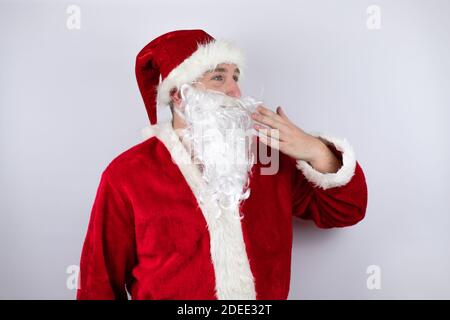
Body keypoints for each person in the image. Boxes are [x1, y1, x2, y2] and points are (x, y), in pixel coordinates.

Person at [77, 29, 368, 300]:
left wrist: (314, 150)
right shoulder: (127, 174)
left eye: (236, 77)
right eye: (218, 78)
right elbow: (97, 283)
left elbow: (345, 212)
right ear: (179, 94)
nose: (235, 91)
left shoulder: (269, 160)